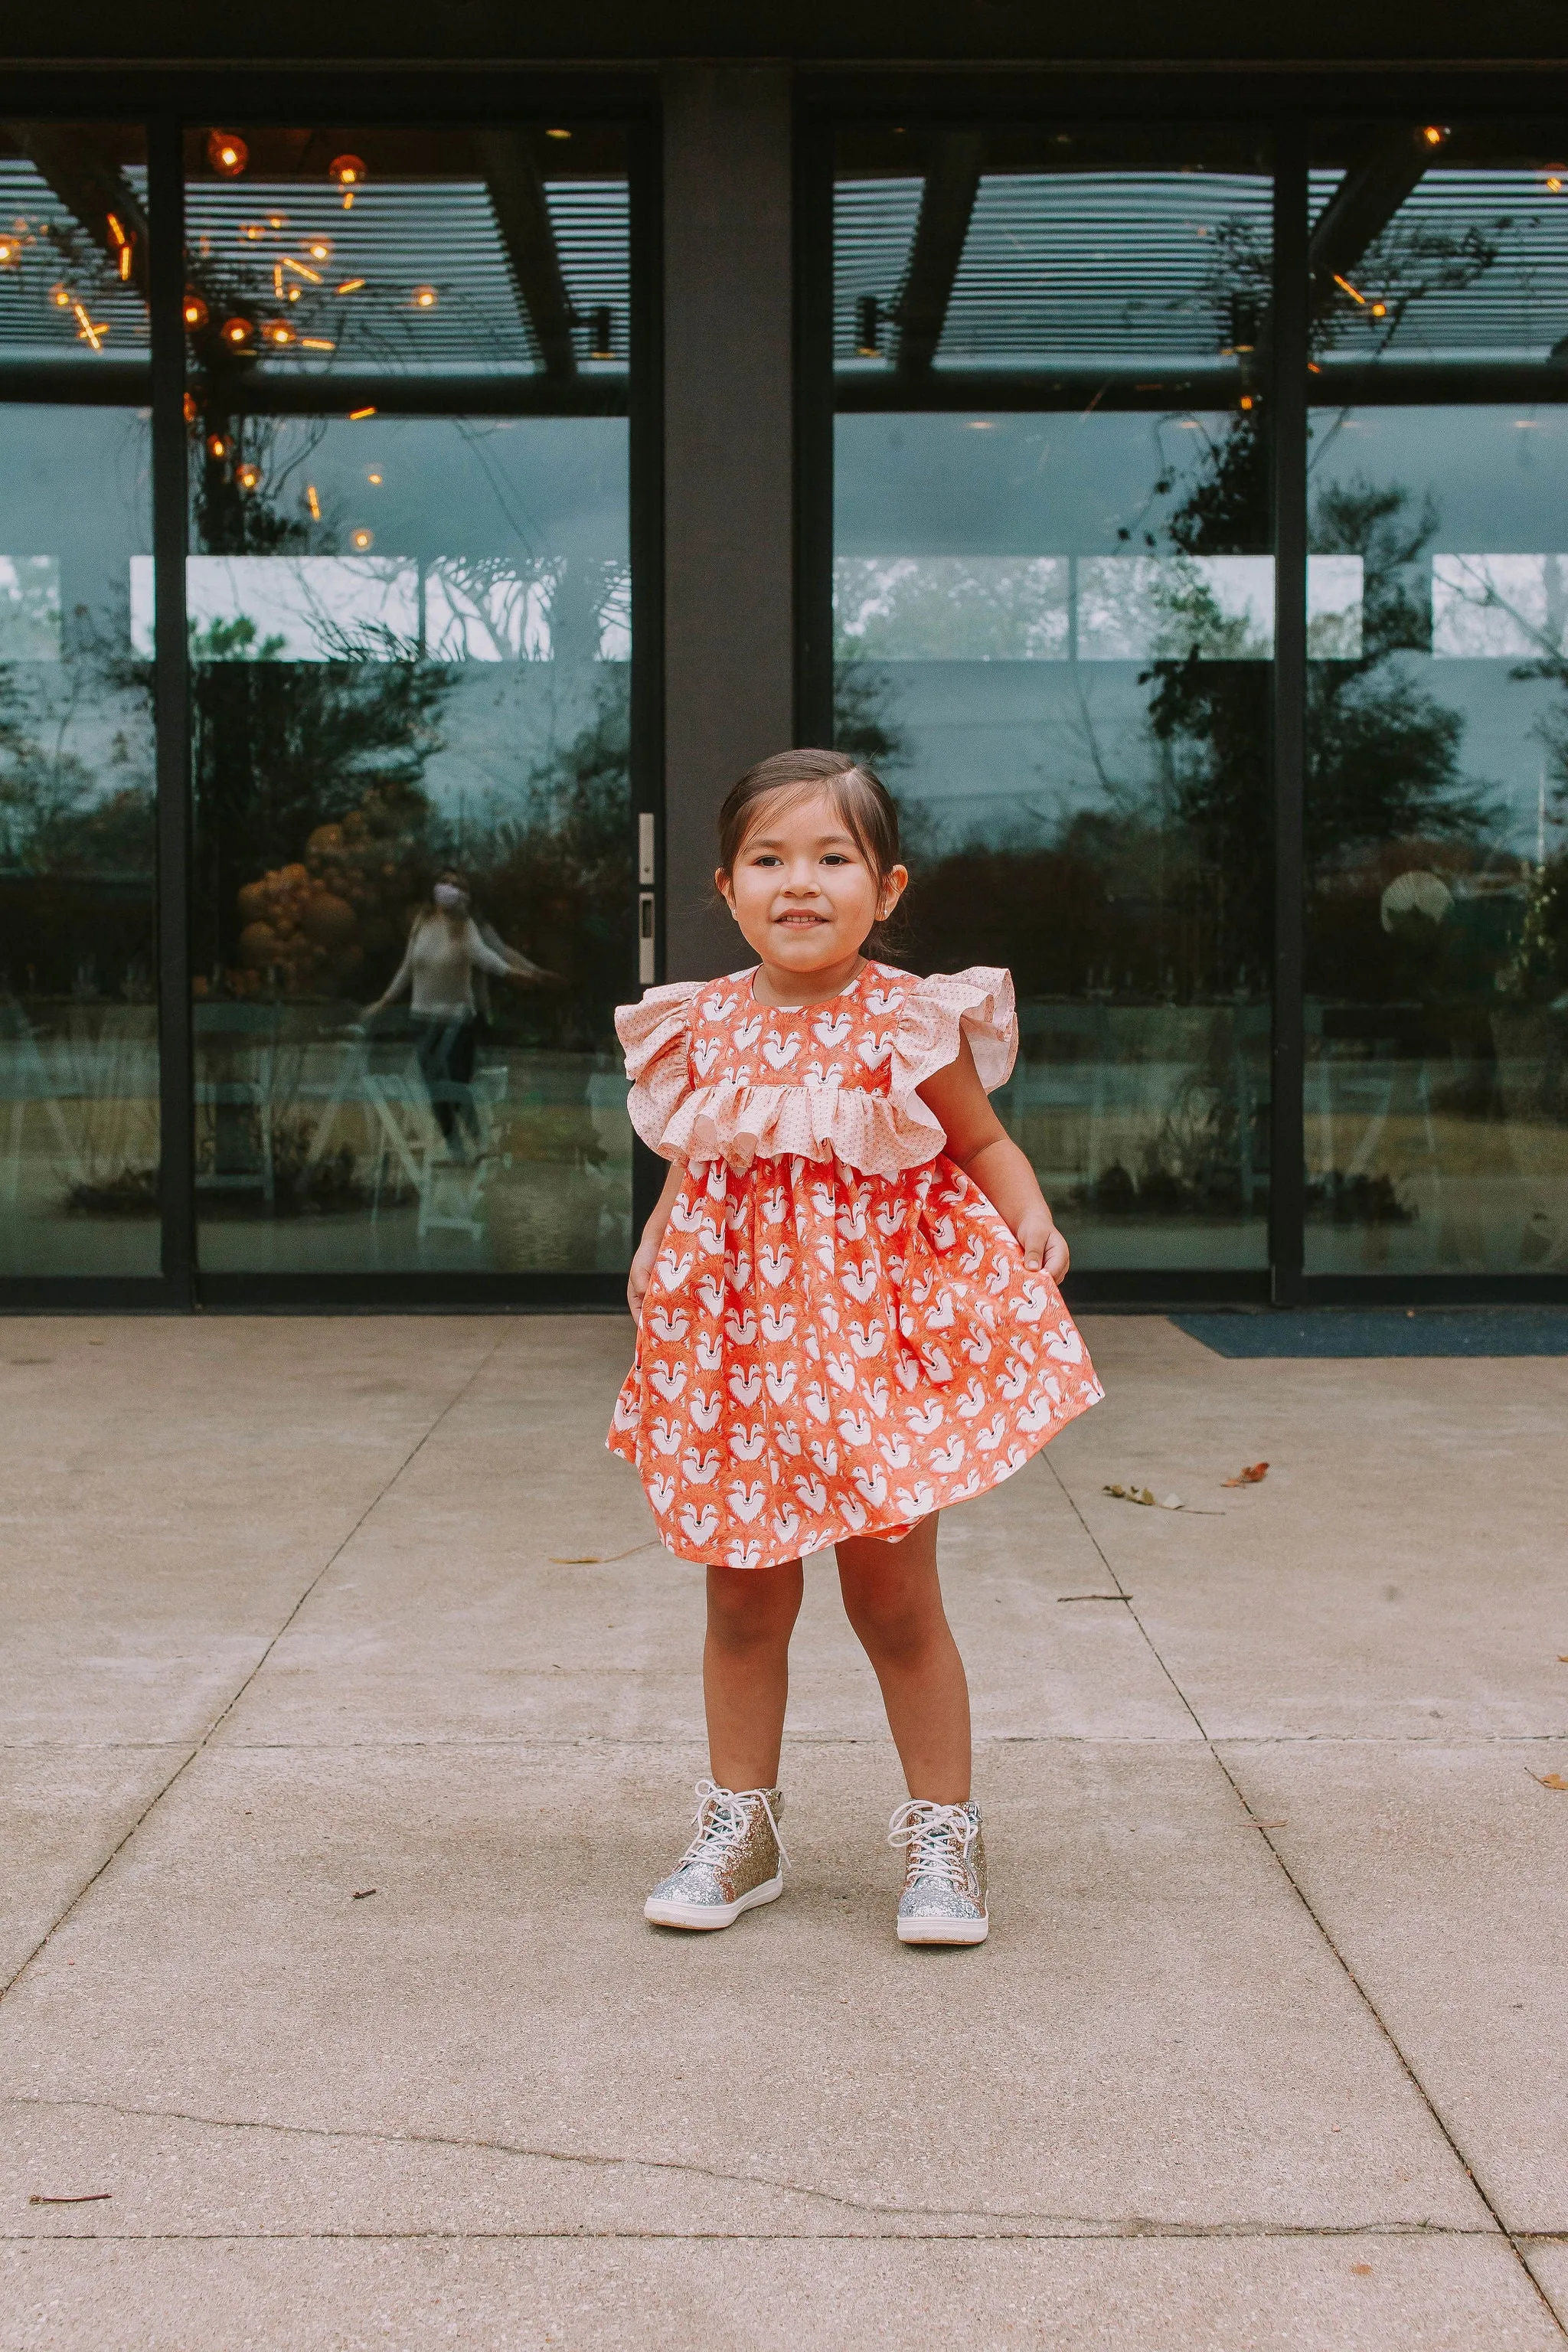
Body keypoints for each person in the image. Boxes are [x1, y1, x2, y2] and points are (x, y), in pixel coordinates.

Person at [609, 750, 1102, 1946]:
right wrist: (657, 1249)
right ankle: (743, 1828)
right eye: (770, 860)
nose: (800, 883)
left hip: (874, 1355)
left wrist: (1028, 1211)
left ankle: (945, 1835)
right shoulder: (703, 1024)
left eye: (833, 858)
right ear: (726, 888)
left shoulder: (909, 1019)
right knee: (743, 1599)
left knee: (893, 1599)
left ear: (885, 889)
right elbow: (699, 1166)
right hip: (742, 1359)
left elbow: (981, 1145)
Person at [364, 871, 547, 1156]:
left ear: (466, 896)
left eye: (457, 885)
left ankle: (479, 1144)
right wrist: (384, 1001)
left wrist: (513, 974)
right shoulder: (422, 922)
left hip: (456, 1020)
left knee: (457, 1086)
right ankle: (455, 1149)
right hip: (422, 1019)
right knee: (434, 1087)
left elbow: (484, 956)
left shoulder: (465, 926)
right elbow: (407, 968)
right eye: (445, 882)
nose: (448, 889)